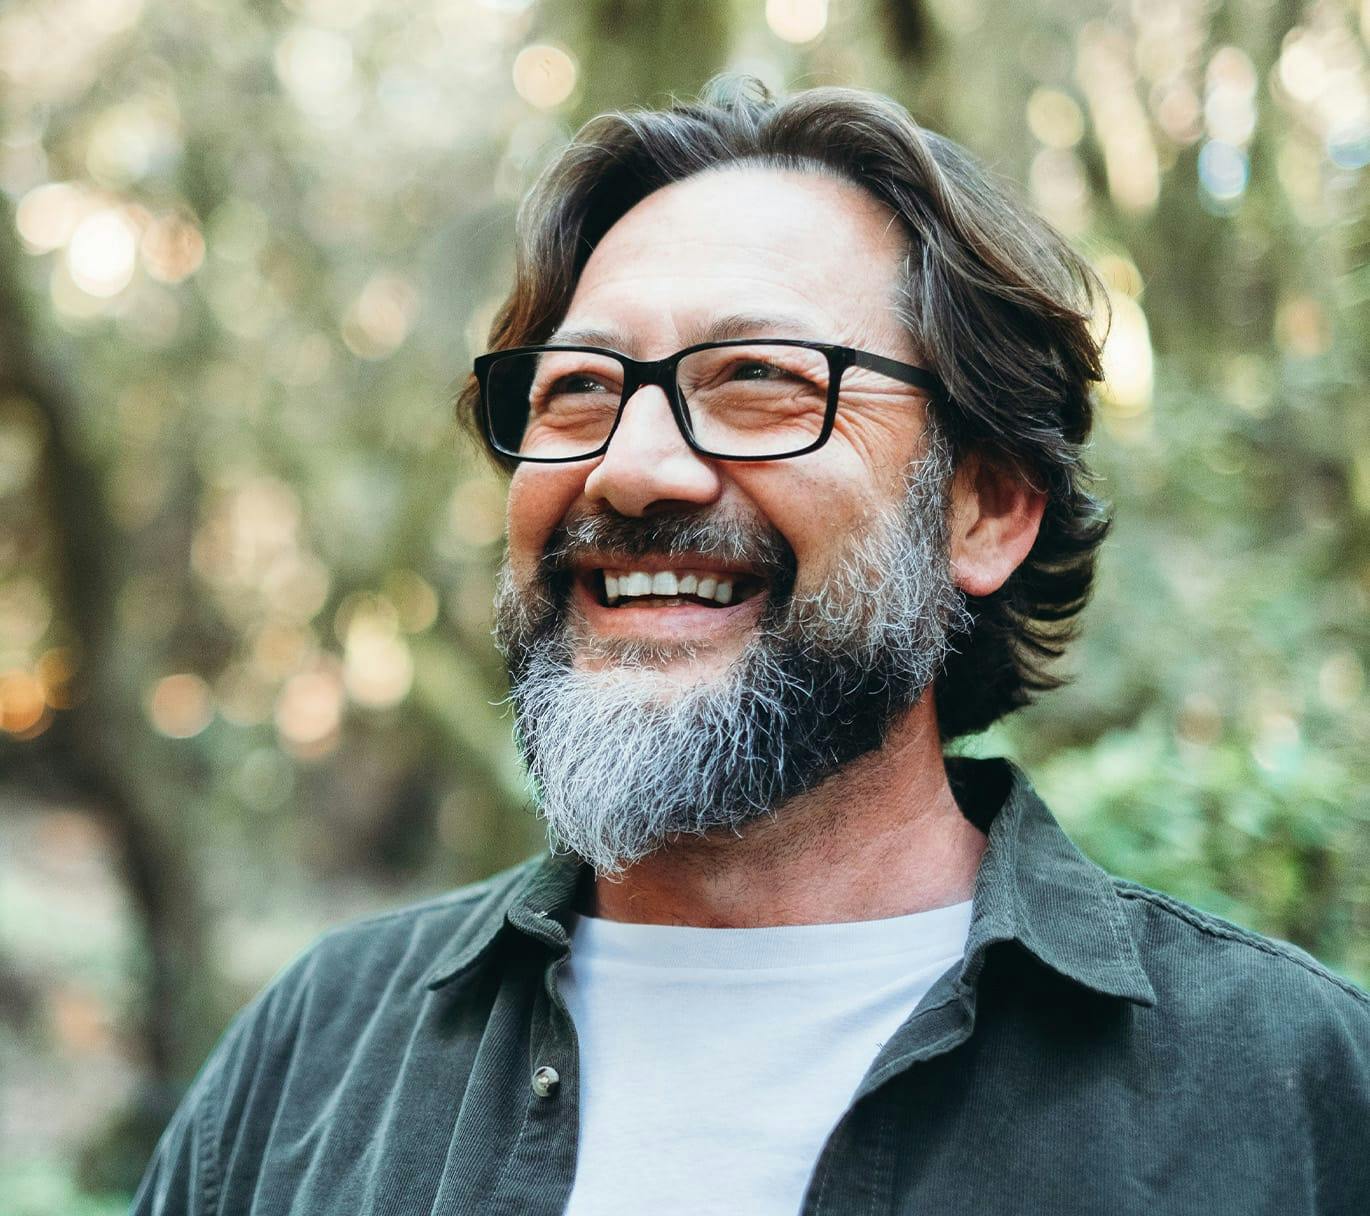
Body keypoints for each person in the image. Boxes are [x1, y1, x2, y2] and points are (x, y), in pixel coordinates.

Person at [132, 80, 1369, 1215]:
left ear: (984, 509)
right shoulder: (314, 1055)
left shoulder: (1290, 1090)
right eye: (577, 389)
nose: (630, 468)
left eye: (759, 379)